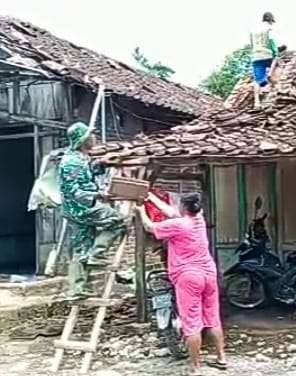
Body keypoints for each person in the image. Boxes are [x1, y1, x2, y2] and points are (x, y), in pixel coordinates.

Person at [137, 192, 226, 376]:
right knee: (212, 318)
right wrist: (150, 197)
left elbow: (149, 227)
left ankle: (195, 367)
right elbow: (171, 211)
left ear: (184, 208)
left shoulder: (177, 225)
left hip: (188, 276)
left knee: (192, 322)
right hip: (209, 273)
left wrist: (140, 210)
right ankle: (221, 357)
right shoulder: (199, 220)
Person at [58, 121, 126, 300]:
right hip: (81, 209)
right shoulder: (71, 162)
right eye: (91, 135)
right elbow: (74, 191)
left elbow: (87, 173)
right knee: (117, 220)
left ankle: (77, 289)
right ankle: (97, 254)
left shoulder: (80, 158)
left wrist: (102, 164)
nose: (94, 137)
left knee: (81, 246)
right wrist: (98, 195)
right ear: (83, 140)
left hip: (79, 208)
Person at [250, 11, 279, 109]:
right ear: (270, 20)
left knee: (257, 80)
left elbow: (252, 44)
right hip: (267, 54)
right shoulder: (269, 28)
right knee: (277, 65)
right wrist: (276, 52)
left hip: (256, 56)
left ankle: (256, 103)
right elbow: (271, 41)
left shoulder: (253, 30)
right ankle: (273, 85)